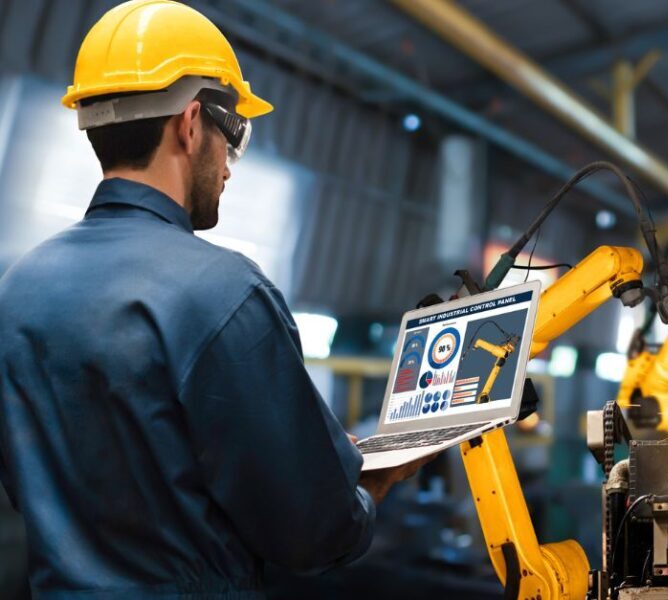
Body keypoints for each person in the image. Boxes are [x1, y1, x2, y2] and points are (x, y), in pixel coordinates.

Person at [0, 1, 423, 597]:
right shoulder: (224, 294)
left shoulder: (17, 288)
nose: (229, 168)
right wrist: (360, 488)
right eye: (234, 138)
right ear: (193, 123)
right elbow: (315, 533)